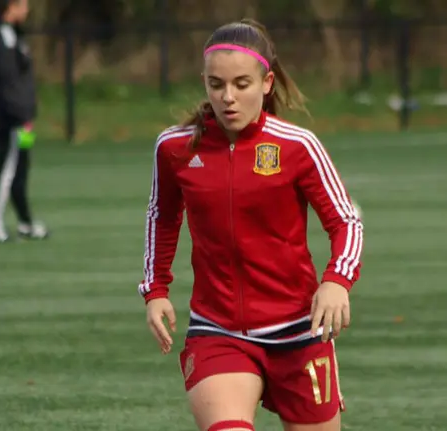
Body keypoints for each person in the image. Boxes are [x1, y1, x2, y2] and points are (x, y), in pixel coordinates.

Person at [138, 18, 364, 431]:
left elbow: (346, 220)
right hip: (218, 331)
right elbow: (162, 217)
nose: (228, 97)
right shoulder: (175, 147)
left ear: (266, 82)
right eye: (215, 84)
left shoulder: (298, 146)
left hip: (299, 333)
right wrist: (155, 290)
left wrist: (336, 281)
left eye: (241, 84)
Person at [0, 0, 48, 242]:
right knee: (6, 167)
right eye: (23, 5)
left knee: (21, 168)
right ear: (11, 7)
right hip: (12, 119)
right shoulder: (3, 39)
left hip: (23, 119)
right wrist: (20, 115)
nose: (27, 10)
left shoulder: (14, 35)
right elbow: (7, 84)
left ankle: (26, 222)